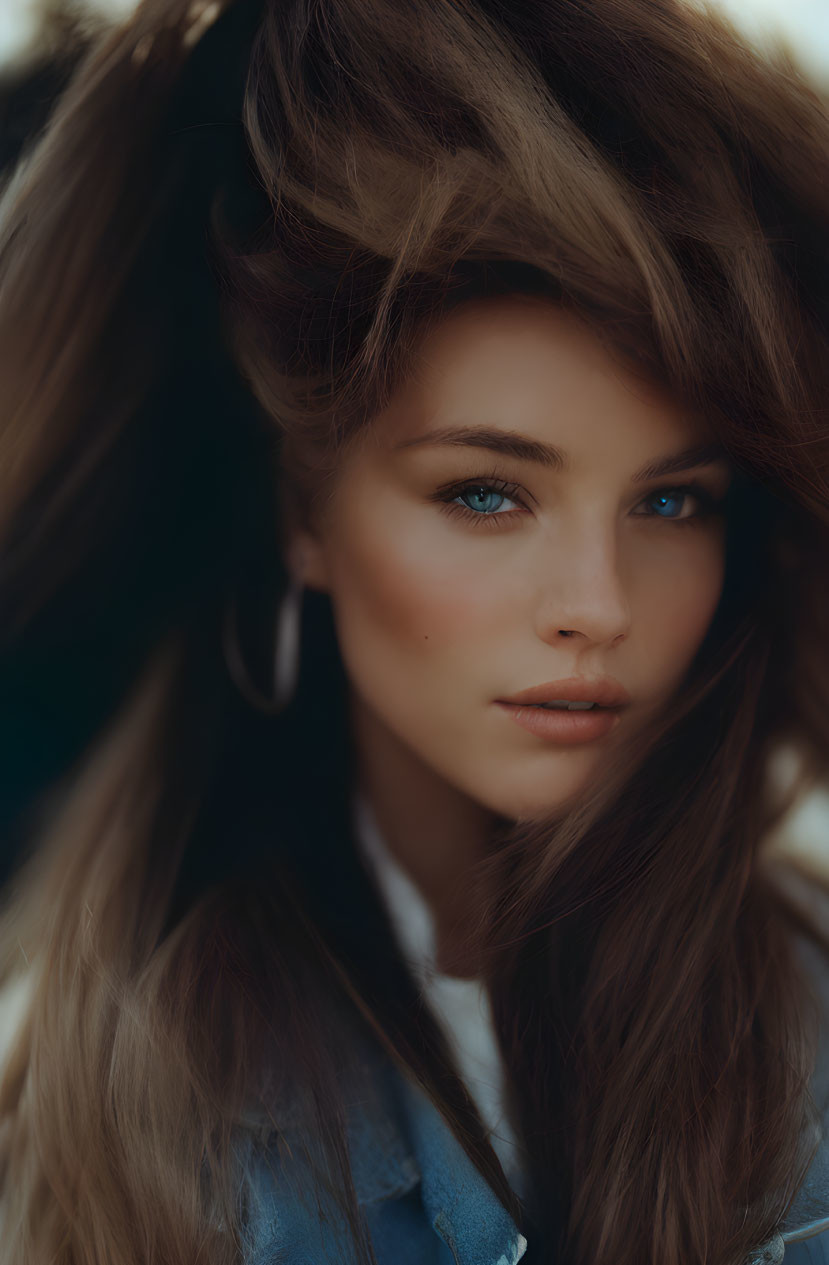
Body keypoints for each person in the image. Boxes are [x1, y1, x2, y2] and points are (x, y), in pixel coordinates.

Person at [0, 0, 827, 1261]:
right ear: (304, 514)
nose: (596, 604)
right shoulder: (116, 1092)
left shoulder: (804, 1015)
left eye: (671, 500)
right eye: (485, 492)